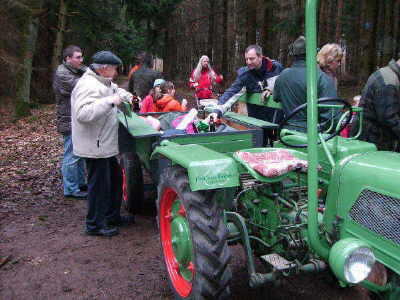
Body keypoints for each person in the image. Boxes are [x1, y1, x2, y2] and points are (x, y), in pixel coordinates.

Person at [71, 50, 135, 237]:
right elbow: (82, 114)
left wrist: (127, 96)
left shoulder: (102, 81)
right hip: (94, 146)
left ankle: (112, 216)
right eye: (114, 68)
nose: (116, 72)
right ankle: (94, 225)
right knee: (98, 186)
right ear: (104, 68)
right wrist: (110, 102)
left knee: (115, 180)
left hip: (104, 145)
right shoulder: (87, 85)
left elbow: (116, 90)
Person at [273, 36, 337, 130]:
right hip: (313, 136)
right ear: (314, 54)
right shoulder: (322, 78)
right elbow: (332, 116)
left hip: (287, 132)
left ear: (293, 55)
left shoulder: (283, 75)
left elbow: (276, 97)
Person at [216, 44, 284, 122]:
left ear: (260, 57)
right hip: (257, 120)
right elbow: (232, 91)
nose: (248, 62)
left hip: (276, 117)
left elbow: (284, 84)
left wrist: (271, 88)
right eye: (246, 59)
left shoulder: (276, 68)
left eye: (251, 59)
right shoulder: (245, 74)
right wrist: (218, 109)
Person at [53, 45, 87, 199]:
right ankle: (71, 189)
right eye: (78, 57)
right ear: (68, 58)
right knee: (71, 155)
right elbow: (81, 86)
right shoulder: (62, 73)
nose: (81, 60)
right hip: (69, 119)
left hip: (76, 118)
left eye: (81, 57)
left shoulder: (74, 70)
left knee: (79, 153)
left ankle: (80, 183)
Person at [355, 57, 400, 151]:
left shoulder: (389, 75)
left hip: (373, 136)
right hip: (371, 141)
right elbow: (389, 118)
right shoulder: (388, 83)